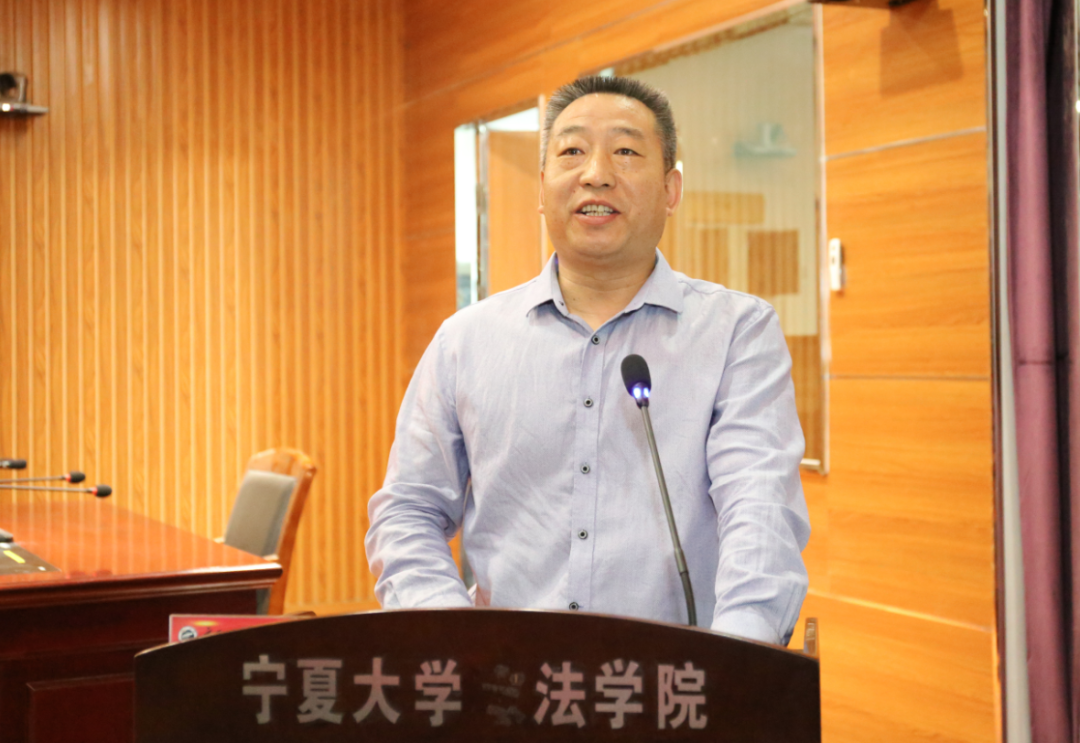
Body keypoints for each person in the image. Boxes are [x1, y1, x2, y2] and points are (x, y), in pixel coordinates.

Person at [366, 75, 810, 646]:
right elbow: (408, 513)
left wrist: (733, 663)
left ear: (671, 190)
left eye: (625, 151)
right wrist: (456, 640)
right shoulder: (465, 342)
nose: (596, 173)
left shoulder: (736, 333)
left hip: (674, 680)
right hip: (501, 679)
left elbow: (761, 510)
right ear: (542, 187)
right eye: (572, 151)